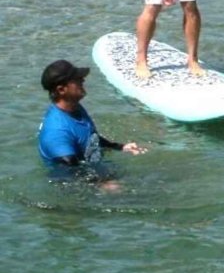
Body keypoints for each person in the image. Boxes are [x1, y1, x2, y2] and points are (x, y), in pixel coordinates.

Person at [37, 60, 145, 189]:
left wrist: (120, 147)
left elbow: (89, 138)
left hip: (91, 169)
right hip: (72, 186)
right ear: (61, 89)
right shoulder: (57, 131)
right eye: (76, 79)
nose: (82, 80)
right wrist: (102, 184)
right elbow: (70, 168)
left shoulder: (74, 107)